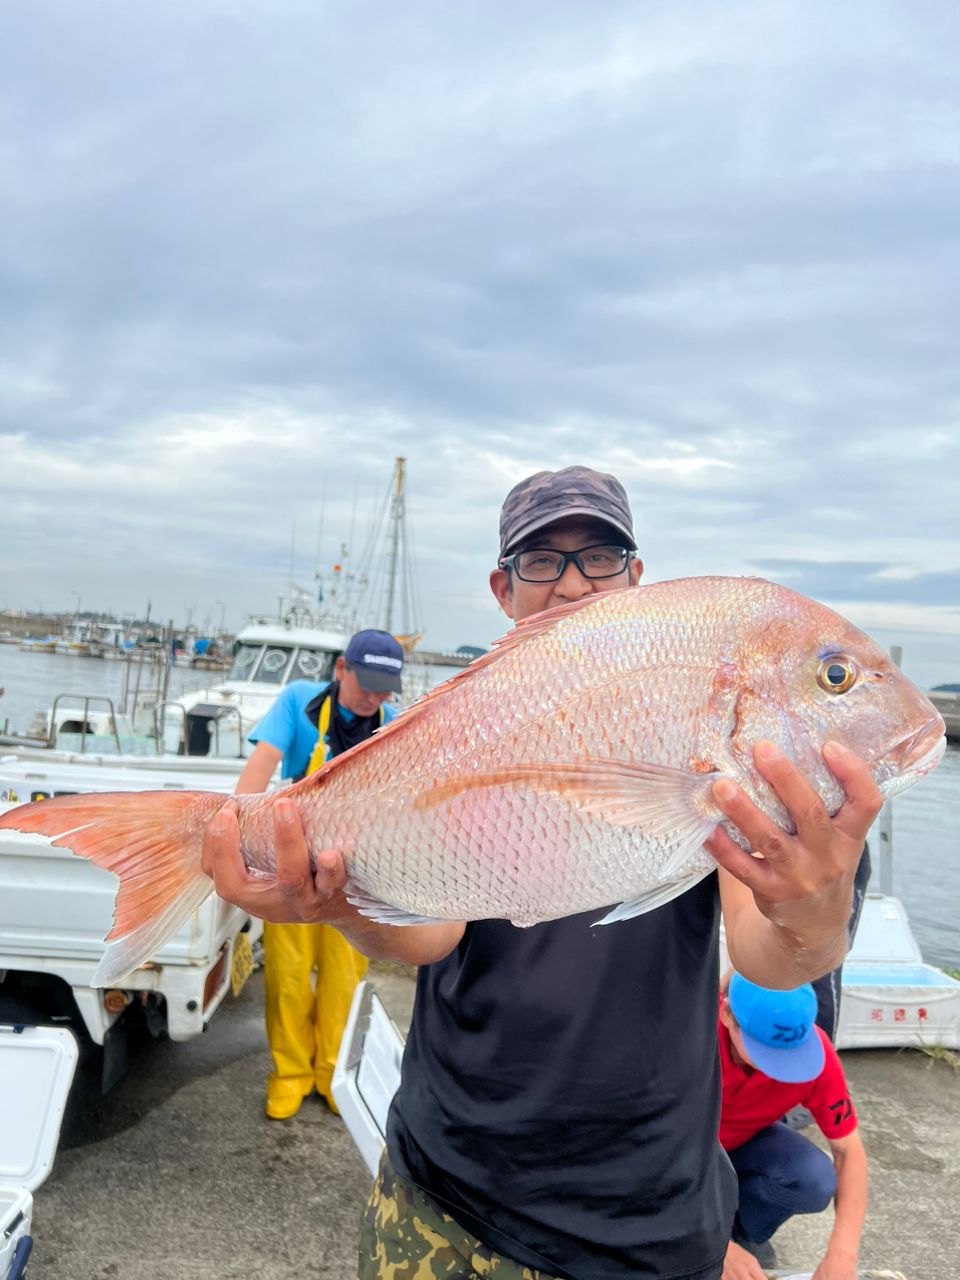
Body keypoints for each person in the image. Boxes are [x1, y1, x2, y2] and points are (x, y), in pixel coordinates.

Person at [201, 466, 881, 1280]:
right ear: (503, 587)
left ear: (637, 576)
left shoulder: (705, 728)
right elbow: (427, 933)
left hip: (648, 1222)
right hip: (445, 1192)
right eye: (540, 560)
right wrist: (335, 901)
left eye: (599, 555)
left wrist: (815, 905)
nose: (571, 583)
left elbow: (773, 956)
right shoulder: (472, 715)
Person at [235, 628, 405, 1120]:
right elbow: (261, 766)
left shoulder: (393, 723)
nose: (374, 697)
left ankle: (333, 1073)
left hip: (354, 875)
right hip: (289, 865)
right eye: (366, 684)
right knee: (288, 977)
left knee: (343, 977)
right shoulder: (298, 702)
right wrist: (237, 833)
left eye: (384, 688)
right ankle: (289, 1074)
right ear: (341, 670)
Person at [719, 973, 868, 1280]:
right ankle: (706, 1235)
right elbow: (645, 1145)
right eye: (766, 1051)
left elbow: (848, 1150)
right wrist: (714, 1245)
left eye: (792, 1053)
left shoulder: (820, 1053)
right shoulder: (687, 1039)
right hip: (677, 1149)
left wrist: (842, 1253)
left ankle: (742, 1229)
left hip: (741, 1142)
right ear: (725, 1015)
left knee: (813, 1178)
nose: (781, 1066)